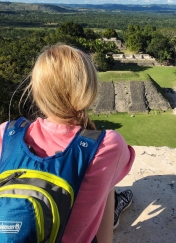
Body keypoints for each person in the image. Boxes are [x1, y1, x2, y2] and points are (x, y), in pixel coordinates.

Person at [0, 44, 135, 243]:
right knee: (108, 185)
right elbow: (125, 163)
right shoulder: (107, 145)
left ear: (37, 90)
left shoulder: (6, 133)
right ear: (89, 89)